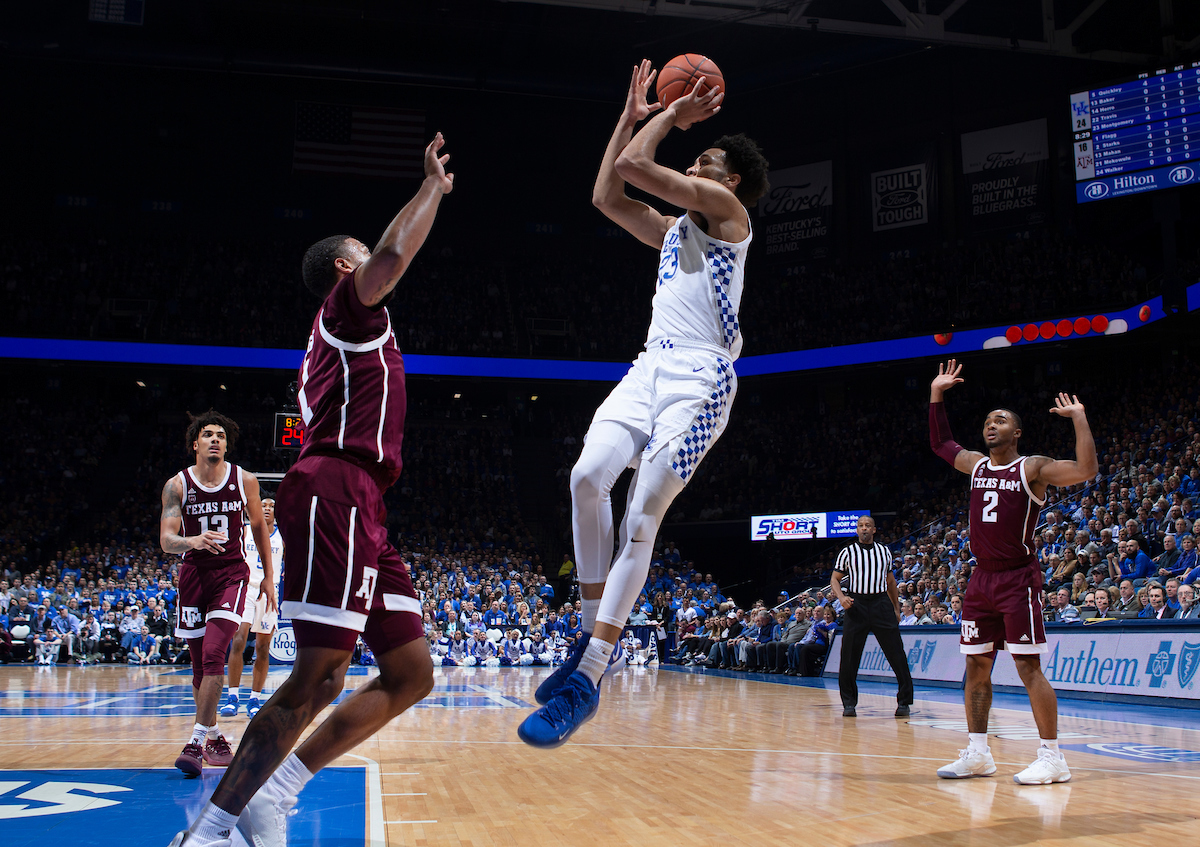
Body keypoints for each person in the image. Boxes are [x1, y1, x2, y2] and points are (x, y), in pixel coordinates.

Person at [169, 133, 453, 847]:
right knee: (317, 677)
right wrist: (430, 191)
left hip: (365, 501)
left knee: (412, 672)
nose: (373, 271)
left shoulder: (350, 330)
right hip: (336, 487)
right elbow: (390, 257)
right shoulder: (346, 307)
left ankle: (281, 789)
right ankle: (210, 831)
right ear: (341, 269)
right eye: (360, 260)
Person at [518, 59, 768, 748]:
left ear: (731, 179)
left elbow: (636, 165)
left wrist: (667, 117)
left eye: (706, 156)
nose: (694, 156)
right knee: (585, 477)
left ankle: (590, 672)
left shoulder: (729, 215)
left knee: (641, 512)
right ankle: (588, 637)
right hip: (649, 367)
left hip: (702, 380)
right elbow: (607, 193)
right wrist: (631, 115)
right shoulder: (672, 233)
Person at [929, 359, 1096, 785]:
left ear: (1016, 432)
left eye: (1000, 420)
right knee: (977, 667)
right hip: (980, 580)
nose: (990, 425)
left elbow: (1085, 470)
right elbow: (941, 443)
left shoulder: (1033, 468)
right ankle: (978, 753)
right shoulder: (976, 465)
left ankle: (1053, 757)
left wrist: (1079, 419)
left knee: (1027, 667)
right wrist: (936, 395)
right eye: (987, 420)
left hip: (1018, 578)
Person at [160, 410, 276, 777]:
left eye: (221, 435)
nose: (215, 439)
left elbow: (260, 528)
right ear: (196, 444)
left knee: (214, 655)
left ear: (226, 444)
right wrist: (191, 540)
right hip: (194, 575)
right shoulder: (177, 485)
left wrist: (269, 579)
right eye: (208, 434)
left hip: (232, 574)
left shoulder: (245, 480)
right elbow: (166, 540)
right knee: (198, 666)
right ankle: (213, 735)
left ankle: (194, 742)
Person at [831, 515, 914, 718]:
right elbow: (834, 578)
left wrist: (895, 608)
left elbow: (891, 582)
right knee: (849, 656)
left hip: (880, 603)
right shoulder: (847, 552)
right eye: (861, 526)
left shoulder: (884, 551)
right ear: (857, 530)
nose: (864, 528)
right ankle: (849, 703)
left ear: (874, 530)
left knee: (897, 653)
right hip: (856, 604)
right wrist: (841, 597)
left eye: (868, 525)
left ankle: (904, 701)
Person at [220, 496, 285, 720]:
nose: (267, 508)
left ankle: (255, 698)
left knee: (263, 648)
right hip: (245, 590)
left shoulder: (282, 536)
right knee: (238, 639)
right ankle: (233, 697)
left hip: (270, 593)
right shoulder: (244, 531)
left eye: (271, 506)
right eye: (263, 505)